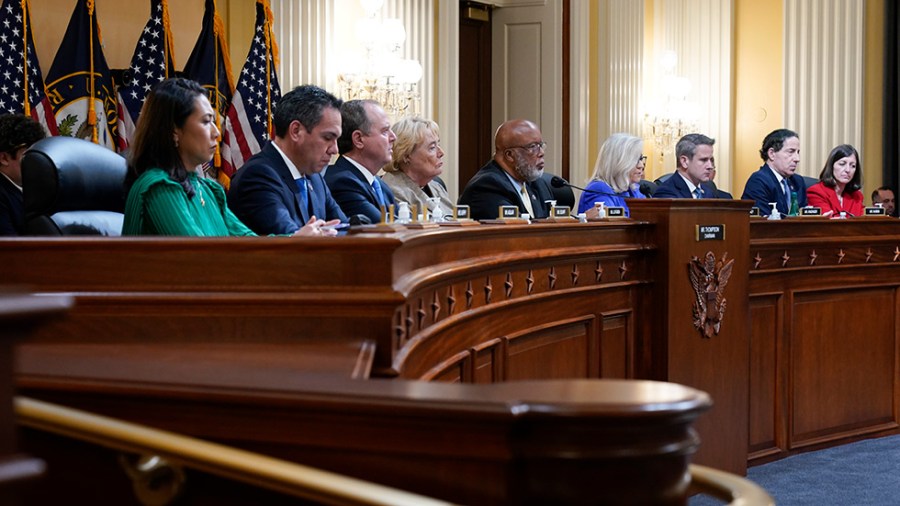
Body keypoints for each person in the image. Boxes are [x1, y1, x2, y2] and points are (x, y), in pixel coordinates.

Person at [122, 78, 337, 237]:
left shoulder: (208, 189)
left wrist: (295, 239)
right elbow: (200, 258)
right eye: (206, 122)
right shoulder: (159, 187)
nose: (217, 132)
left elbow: (246, 242)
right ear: (174, 131)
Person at [228, 85, 348, 234]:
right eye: (328, 138)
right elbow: (288, 240)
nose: (335, 149)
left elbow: (344, 228)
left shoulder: (315, 178)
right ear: (296, 131)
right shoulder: (257, 176)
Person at [458, 119, 554, 220]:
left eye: (541, 145)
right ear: (509, 155)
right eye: (532, 146)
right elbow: (513, 232)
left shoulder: (538, 184)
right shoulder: (487, 187)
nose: (541, 152)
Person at [324, 100, 397, 223]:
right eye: (385, 131)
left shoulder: (380, 185)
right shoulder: (342, 182)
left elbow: (405, 223)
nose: (393, 137)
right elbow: (384, 228)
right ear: (358, 139)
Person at [381, 116, 453, 219]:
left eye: (439, 145)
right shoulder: (393, 191)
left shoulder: (437, 187)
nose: (441, 153)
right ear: (406, 156)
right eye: (432, 148)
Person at [576, 133, 646, 217]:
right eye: (636, 160)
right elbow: (613, 226)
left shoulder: (634, 189)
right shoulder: (599, 190)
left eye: (641, 159)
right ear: (618, 162)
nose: (641, 165)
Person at [741, 128, 807, 216]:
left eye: (798, 152)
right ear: (772, 154)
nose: (797, 159)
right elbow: (764, 223)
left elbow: (804, 214)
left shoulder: (798, 182)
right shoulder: (758, 182)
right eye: (791, 152)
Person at [0, 114, 46, 235]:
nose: (38, 162)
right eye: (30, 155)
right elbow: (11, 250)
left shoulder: (36, 187)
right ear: (4, 158)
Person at [653, 133, 726, 199]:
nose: (710, 166)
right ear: (684, 162)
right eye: (703, 160)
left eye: (711, 160)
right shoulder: (666, 193)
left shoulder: (708, 192)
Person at [806, 144, 864, 218]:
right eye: (842, 164)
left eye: (853, 166)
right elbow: (828, 221)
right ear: (831, 166)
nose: (847, 170)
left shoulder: (857, 196)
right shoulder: (816, 192)